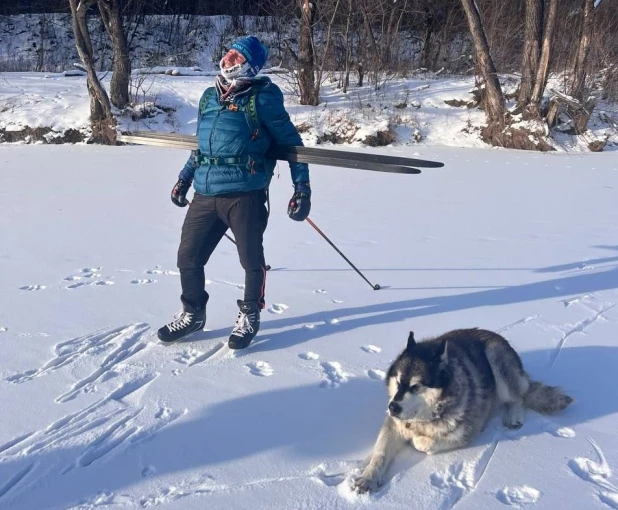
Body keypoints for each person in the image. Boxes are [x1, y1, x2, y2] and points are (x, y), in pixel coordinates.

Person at [157, 35, 311, 349]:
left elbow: (293, 145)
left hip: (245, 194)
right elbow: (201, 147)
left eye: (236, 58)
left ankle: (250, 313)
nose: (228, 61)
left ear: (250, 66)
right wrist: (184, 179)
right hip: (206, 193)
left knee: (251, 260)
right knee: (188, 257)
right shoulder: (207, 97)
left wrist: (302, 189)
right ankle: (193, 312)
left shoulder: (263, 98)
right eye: (228, 54)